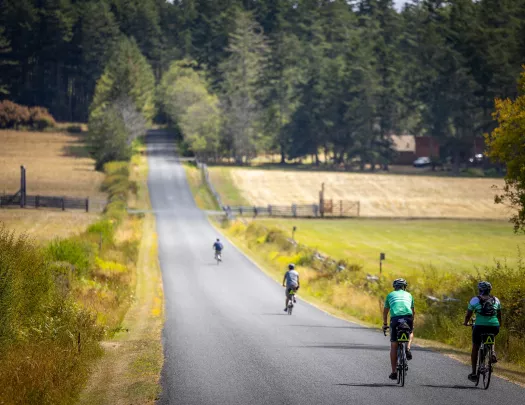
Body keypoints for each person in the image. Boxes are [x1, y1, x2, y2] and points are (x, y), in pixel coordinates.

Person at [463, 281, 501, 382]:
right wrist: (498, 324)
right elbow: (499, 315)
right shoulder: (496, 300)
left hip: (480, 326)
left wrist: (466, 322)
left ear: (480, 290)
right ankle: (492, 352)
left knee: (475, 347)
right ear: (490, 290)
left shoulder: (475, 299)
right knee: (492, 336)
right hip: (494, 325)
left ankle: (474, 373)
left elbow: (468, 315)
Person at [383, 278, 415, 380]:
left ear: (394, 287)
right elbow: (413, 311)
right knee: (410, 332)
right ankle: (407, 348)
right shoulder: (409, 295)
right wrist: (411, 323)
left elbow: (385, 312)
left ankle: (394, 372)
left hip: (395, 319)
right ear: (404, 287)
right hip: (408, 317)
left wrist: (385, 324)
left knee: (394, 345)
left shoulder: (390, 295)